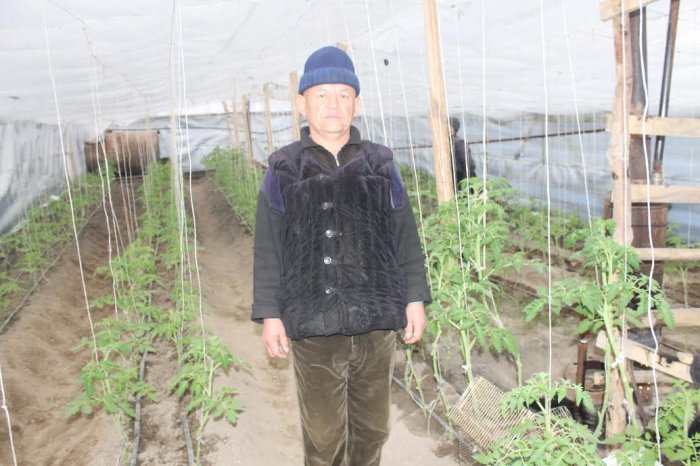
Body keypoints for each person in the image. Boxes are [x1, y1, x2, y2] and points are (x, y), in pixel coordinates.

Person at [251, 45, 431, 466]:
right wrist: (270, 313)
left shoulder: (380, 163)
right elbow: (268, 245)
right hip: (313, 324)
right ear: (302, 104)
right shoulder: (284, 168)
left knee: (373, 428)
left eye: (343, 94)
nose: (333, 104)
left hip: (375, 320)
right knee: (324, 434)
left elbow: (404, 233)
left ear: (357, 103)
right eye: (322, 95)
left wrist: (415, 298)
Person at [449, 116, 476, 192]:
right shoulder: (447, 142)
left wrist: (464, 183)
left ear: (452, 128)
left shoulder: (459, 143)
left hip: (461, 179)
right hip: (454, 179)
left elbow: (469, 164)